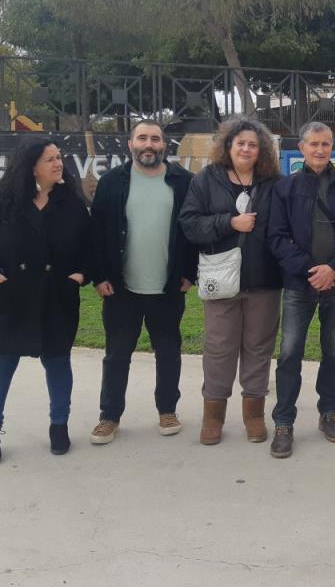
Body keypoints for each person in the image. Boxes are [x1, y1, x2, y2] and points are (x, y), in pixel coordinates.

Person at [0, 139, 91, 464]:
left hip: (56, 298)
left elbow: (91, 244)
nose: (58, 163)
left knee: (58, 363)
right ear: (32, 165)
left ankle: (58, 426)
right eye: (50, 159)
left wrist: (80, 274)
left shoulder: (71, 202)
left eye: (59, 157)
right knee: (0, 366)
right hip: (10, 299)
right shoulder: (6, 199)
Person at [88, 119, 197, 445]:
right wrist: (99, 276)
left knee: (169, 352)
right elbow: (96, 234)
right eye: (142, 138)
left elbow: (192, 232)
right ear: (131, 144)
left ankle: (167, 410)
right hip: (121, 288)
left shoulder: (183, 182)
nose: (149, 144)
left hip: (167, 287)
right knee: (116, 355)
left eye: (155, 139)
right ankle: (109, 416)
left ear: (165, 145)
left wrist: (190, 273)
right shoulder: (111, 182)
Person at [267, 121, 335, 458]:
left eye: (326, 144)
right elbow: (276, 237)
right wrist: (310, 271)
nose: (320, 150)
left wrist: (333, 268)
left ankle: (328, 413)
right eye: (314, 144)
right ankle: (283, 422)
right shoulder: (285, 188)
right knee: (289, 354)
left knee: (334, 352)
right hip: (299, 284)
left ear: (332, 147)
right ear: (301, 148)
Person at [179, 117, 283, 445]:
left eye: (253, 144)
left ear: (261, 149)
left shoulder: (272, 182)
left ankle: (253, 413)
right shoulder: (206, 179)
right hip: (220, 279)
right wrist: (229, 223)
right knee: (219, 348)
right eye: (241, 143)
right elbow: (190, 224)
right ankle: (214, 416)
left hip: (264, 280)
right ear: (228, 145)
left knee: (259, 347)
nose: (246, 149)